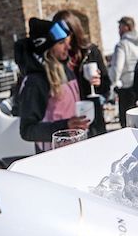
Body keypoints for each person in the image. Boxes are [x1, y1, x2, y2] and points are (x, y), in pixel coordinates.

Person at [16, 18, 89, 152]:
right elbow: (27, 130)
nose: (68, 47)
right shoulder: (35, 81)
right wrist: (64, 126)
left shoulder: (66, 69)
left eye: (67, 42)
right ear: (46, 49)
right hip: (52, 154)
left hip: (74, 147)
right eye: (61, 43)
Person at [52, 10, 110, 136]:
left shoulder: (91, 51)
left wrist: (99, 83)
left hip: (91, 116)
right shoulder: (56, 57)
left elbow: (107, 86)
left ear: (74, 31)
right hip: (66, 117)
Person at [109, 16, 138, 127]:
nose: (118, 30)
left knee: (127, 123)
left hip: (126, 88)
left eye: (120, 27)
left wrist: (113, 80)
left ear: (126, 27)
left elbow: (117, 68)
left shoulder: (122, 45)